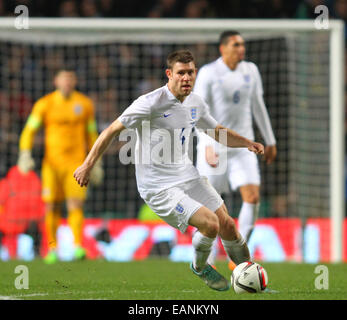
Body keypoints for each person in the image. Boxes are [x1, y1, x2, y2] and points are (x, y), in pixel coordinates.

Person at [73, 50, 264, 291]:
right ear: (169, 74)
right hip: (158, 188)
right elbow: (111, 130)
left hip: (188, 177)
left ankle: (250, 275)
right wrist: (87, 164)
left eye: (190, 72)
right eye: (181, 73)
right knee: (211, 224)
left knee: (227, 223)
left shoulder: (195, 102)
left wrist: (247, 143)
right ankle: (199, 266)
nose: (186, 78)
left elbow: (217, 131)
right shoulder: (150, 102)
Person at [194, 30, 277, 267]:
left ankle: (238, 257)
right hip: (214, 146)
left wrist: (269, 140)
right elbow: (196, 112)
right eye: (235, 44)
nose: (241, 48)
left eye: (242, 44)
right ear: (223, 48)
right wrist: (207, 144)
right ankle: (206, 262)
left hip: (243, 145)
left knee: (252, 197)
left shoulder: (251, 70)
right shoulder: (209, 73)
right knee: (211, 207)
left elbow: (258, 105)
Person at [18, 69, 104, 264]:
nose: (67, 82)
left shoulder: (84, 104)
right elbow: (29, 130)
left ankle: (77, 247)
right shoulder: (45, 104)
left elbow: (91, 134)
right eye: (63, 79)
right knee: (51, 206)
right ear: (56, 81)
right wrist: (25, 153)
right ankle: (52, 249)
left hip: (76, 164)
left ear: (74, 81)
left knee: (76, 204)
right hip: (52, 165)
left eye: (70, 79)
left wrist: (96, 162)